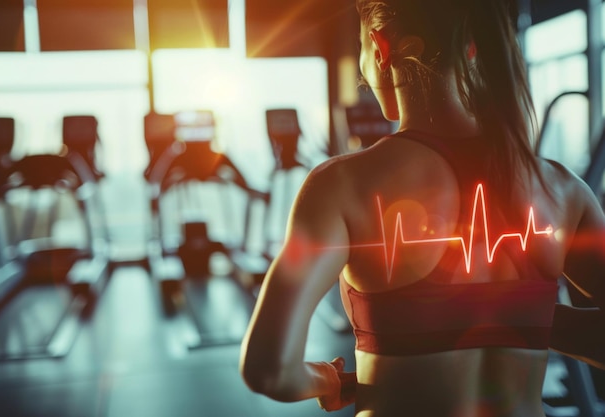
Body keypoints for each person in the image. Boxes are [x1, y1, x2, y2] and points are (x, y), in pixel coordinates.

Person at [239, 0, 605, 415]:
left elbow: (269, 369)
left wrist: (325, 379)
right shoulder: (561, 188)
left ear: (379, 48)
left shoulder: (340, 186)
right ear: (472, 48)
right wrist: (519, 314)